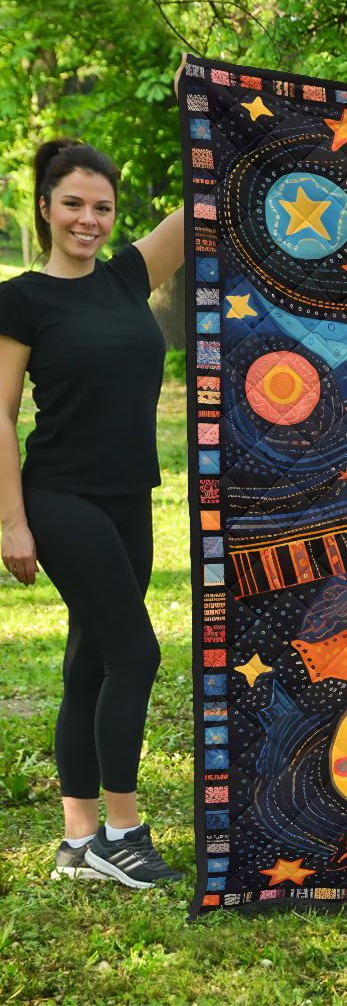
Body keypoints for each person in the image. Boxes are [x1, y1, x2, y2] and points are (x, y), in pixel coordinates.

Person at [0, 138, 185, 887]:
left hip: (128, 496)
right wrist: (13, 523)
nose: (88, 219)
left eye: (102, 207)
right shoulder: (21, 298)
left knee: (91, 659)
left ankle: (79, 842)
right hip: (60, 496)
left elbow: (203, 201)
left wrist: (218, 104)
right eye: (73, 204)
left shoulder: (127, 276)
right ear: (45, 207)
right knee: (136, 653)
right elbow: (2, 412)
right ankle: (123, 833)